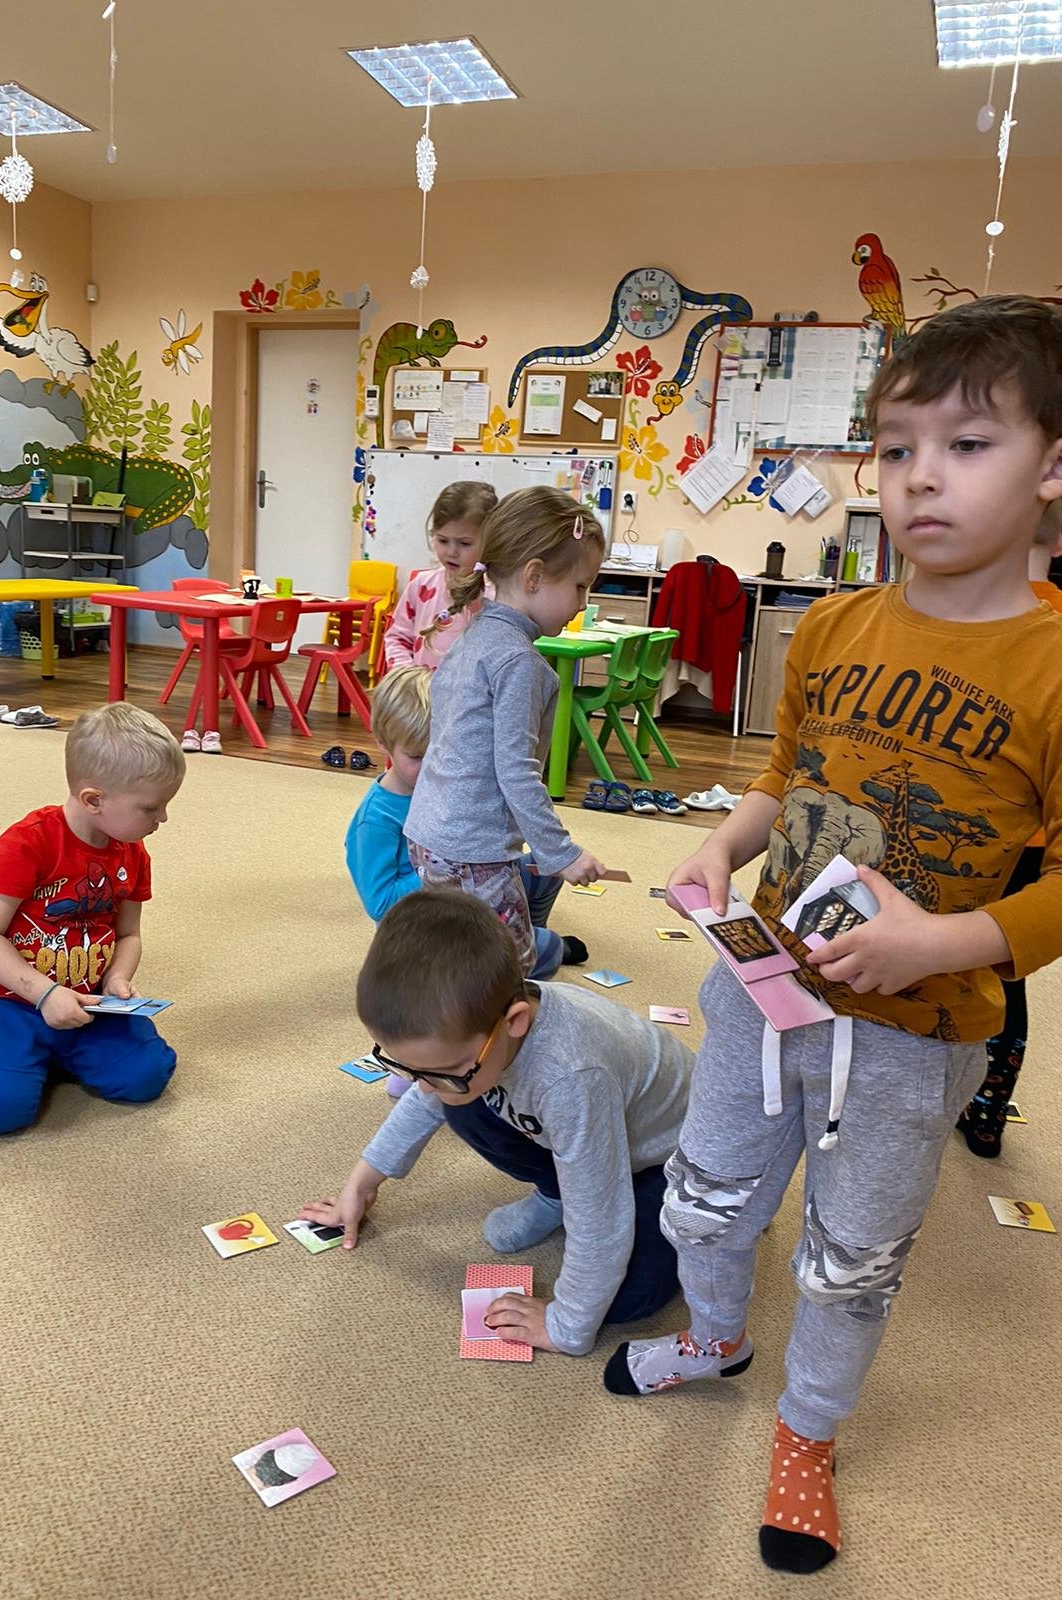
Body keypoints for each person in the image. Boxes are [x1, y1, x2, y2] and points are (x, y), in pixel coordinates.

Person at [603, 295, 1062, 1575]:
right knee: (704, 1202)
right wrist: (723, 844)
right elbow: (784, 771)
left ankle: (808, 1429)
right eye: (898, 446)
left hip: (915, 1038)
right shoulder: (836, 623)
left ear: (1053, 467)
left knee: (851, 1257)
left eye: (968, 444)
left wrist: (939, 942)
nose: (922, 475)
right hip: (762, 991)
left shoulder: (1052, 661)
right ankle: (714, 1338)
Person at [298, 891, 692, 1355]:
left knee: (628, 1299)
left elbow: (599, 1215)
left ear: (515, 1021)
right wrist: (361, 1185)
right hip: (597, 1133)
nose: (424, 1088)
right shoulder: (485, 1023)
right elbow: (429, 1094)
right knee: (459, 1101)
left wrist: (566, 1326)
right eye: (408, 1070)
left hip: (672, 1160)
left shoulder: (572, 1078)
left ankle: (579, 1195)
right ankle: (556, 1191)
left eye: (444, 1071)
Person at [0, 702, 185, 1135]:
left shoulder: (133, 854)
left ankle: (50, 1057)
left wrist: (117, 978)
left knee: (147, 1076)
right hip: (9, 1001)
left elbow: (128, 934)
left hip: (89, 1003)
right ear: (94, 800)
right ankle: (21, 1054)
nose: (164, 818)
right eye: (151, 808)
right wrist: (44, 995)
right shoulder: (25, 845)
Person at [405, 486, 608, 972]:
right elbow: (516, 772)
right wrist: (561, 852)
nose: (583, 602)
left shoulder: (475, 634)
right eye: (580, 586)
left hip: (428, 833)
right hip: (472, 848)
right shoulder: (519, 661)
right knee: (508, 966)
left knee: (458, 952)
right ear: (534, 576)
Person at [344, 663, 588, 975]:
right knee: (549, 949)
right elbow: (380, 904)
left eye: (441, 752)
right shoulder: (374, 821)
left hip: (472, 892)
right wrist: (444, 870)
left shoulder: (448, 785)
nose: (431, 766)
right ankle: (530, 942)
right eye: (416, 757)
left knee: (546, 867)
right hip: (430, 929)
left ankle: (525, 926)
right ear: (383, 742)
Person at [956, 514, 1062, 1157]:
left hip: (984, 832)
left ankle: (965, 1094)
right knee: (1004, 971)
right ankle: (988, 1110)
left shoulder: (987, 624)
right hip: (1031, 841)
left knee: (952, 958)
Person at [384, 480, 497, 670]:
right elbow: (397, 638)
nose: (451, 552)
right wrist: (407, 676)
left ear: (490, 541)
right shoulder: (421, 586)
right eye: (443, 540)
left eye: (465, 543)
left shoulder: (497, 596)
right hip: (420, 688)